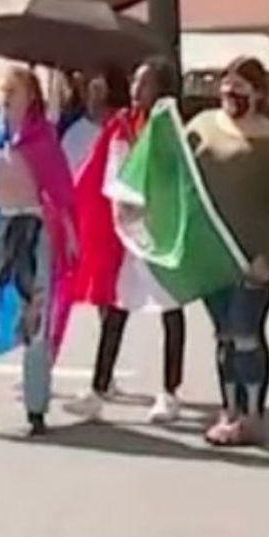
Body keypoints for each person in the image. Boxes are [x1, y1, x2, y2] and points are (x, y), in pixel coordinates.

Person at [0, 67, 77, 437]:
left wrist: (69, 237)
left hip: (32, 230)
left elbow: (61, 192)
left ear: (31, 97)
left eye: (14, 90)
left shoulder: (44, 140)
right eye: (4, 89)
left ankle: (36, 410)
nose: (6, 95)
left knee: (35, 320)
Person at [64, 58, 190, 423]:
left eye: (145, 83)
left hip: (159, 232)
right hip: (127, 232)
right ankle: (98, 388)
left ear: (161, 89)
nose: (137, 89)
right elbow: (97, 170)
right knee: (116, 308)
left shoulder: (169, 129)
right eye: (135, 81)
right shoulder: (121, 123)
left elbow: (176, 177)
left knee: (170, 309)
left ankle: (169, 392)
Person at [190, 57, 269, 447]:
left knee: (245, 332)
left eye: (240, 89)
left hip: (255, 259)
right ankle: (229, 411)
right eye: (225, 88)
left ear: (258, 93)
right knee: (223, 335)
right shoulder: (202, 128)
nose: (230, 96)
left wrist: (268, 256)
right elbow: (178, 170)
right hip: (212, 255)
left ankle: (254, 414)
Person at [61, 65, 128, 181]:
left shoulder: (125, 132)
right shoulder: (76, 133)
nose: (95, 97)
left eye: (99, 90)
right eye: (93, 89)